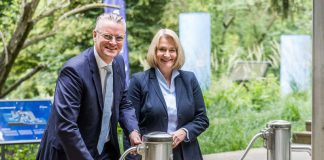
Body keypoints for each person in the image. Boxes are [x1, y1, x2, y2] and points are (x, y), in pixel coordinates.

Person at [36, 13, 141, 160]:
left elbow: (123, 102)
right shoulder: (73, 71)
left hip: (104, 152)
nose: (113, 42)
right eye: (107, 36)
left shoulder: (118, 62)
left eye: (119, 38)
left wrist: (133, 131)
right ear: (94, 35)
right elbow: (66, 126)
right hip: (70, 153)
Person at [125, 29, 209, 160]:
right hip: (151, 155)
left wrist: (184, 132)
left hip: (187, 155)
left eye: (172, 50)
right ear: (154, 51)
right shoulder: (139, 81)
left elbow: (202, 119)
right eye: (162, 49)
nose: (167, 54)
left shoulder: (189, 79)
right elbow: (129, 124)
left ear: (177, 52)